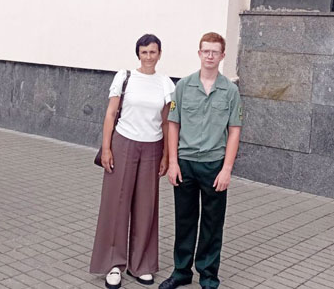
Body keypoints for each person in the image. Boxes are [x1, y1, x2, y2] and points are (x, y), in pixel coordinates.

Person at [90, 34, 175, 289]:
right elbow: (110, 113)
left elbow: (167, 122)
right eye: (144, 52)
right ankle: (114, 265)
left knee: (145, 207)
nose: (149, 56)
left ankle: (141, 264)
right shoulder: (124, 77)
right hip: (123, 143)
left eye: (153, 52)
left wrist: (167, 156)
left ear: (160, 54)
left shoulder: (166, 84)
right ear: (138, 54)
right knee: (116, 205)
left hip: (152, 147)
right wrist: (107, 148)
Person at [160, 32, 243, 289]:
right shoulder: (183, 86)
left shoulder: (230, 91)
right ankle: (182, 271)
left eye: (214, 52)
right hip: (185, 164)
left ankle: (208, 275)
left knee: (212, 223)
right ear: (199, 53)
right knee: (184, 220)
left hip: (214, 165)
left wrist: (227, 169)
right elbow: (173, 125)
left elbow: (234, 131)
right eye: (205, 51)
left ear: (222, 56)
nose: (209, 56)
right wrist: (173, 163)